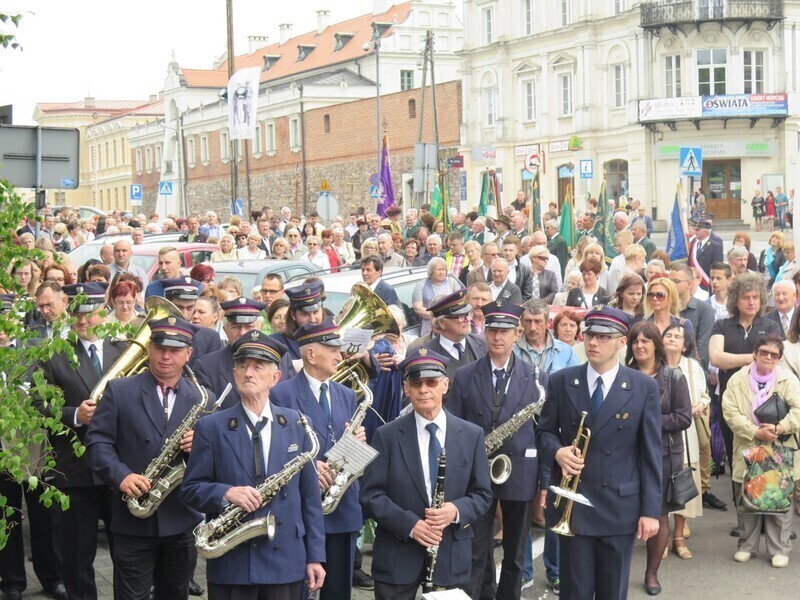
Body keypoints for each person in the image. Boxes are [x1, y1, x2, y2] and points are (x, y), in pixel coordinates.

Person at [181, 330, 326, 597]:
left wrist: (315, 556)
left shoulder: (297, 423)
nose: (248, 373)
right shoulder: (210, 427)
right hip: (232, 562)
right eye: (242, 366)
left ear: (275, 377)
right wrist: (225, 492)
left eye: (258, 367)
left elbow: (310, 498)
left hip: (287, 561)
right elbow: (191, 489)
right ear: (234, 373)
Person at [538, 306, 662, 600]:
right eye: (590, 334)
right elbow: (542, 433)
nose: (593, 342)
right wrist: (558, 452)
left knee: (612, 592)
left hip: (619, 507)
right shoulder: (562, 380)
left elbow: (651, 453)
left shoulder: (643, 387)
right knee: (574, 592)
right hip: (574, 505)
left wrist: (650, 511)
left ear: (621, 343)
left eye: (603, 337)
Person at [85, 316, 212, 599]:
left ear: (188, 354)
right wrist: (121, 476)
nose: (166, 356)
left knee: (175, 593)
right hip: (132, 521)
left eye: (175, 350)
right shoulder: (119, 390)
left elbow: (217, 462)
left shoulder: (204, 398)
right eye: (160, 347)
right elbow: (97, 442)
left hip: (182, 519)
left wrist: (202, 448)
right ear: (149, 349)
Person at [360, 348, 492, 598]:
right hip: (398, 555)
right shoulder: (386, 436)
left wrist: (455, 511)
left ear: (445, 385)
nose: (423, 390)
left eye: (431, 382)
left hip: (450, 553)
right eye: (416, 383)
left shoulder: (472, 434)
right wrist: (411, 525)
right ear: (406, 389)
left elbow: (483, 494)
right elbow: (371, 496)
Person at [448, 300, 547, 600]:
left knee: (515, 553)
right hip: (476, 474)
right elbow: (454, 428)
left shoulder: (535, 376)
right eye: (492, 329)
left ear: (517, 333)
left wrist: (543, 481)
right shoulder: (464, 375)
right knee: (476, 551)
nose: (497, 337)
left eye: (504, 330)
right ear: (484, 331)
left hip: (519, 471)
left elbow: (543, 432)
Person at [32, 283, 123, 600]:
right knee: (77, 556)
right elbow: (37, 406)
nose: (83, 322)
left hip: (118, 469)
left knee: (125, 553)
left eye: (90, 315)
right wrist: (73, 414)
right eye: (77, 315)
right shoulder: (54, 355)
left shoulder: (123, 349)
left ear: (102, 311)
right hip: (75, 469)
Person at [270, 319, 364, 600]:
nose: (340, 355)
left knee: (338, 592)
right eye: (332, 349)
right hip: (303, 510)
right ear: (311, 354)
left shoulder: (347, 394)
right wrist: (310, 467)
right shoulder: (281, 393)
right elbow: (276, 448)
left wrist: (357, 445)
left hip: (342, 506)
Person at [722, 333, 800, 567]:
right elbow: (730, 412)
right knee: (747, 496)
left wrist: (779, 426)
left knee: (780, 498)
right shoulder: (737, 380)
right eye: (763, 352)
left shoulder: (789, 380)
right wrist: (754, 431)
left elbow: (798, 409)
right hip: (749, 446)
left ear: (778, 358)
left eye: (773, 354)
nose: (768, 357)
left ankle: (780, 549)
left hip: (779, 446)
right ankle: (747, 546)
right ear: (755, 353)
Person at [626, 321, 692, 595]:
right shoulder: (623, 375)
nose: (640, 346)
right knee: (624, 513)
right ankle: (616, 570)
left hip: (664, 455)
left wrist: (649, 421)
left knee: (659, 514)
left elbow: (684, 417)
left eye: (645, 341)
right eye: (635, 341)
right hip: (626, 454)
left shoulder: (673, 377)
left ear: (656, 344)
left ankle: (651, 574)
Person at [709, 273, 783, 497]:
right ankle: (743, 510)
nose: (751, 302)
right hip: (732, 402)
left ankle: (766, 507)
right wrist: (754, 358)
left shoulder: (770, 325)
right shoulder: (722, 325)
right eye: (746, 297)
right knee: (736, 455)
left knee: (767, 456)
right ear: (735, 300)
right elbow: (715, 358)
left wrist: (737, 359)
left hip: (765, 402)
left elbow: (773, 358)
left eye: (755, 297)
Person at [663, 322, 709, 560]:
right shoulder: (655, 366)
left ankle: (679, 536)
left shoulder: (692, 366)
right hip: (659, 434)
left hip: (685, 431)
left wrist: (701, 405)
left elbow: (704, 395)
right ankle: (660, 537)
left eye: (677, 337)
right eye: (668, 335)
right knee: (660, 484)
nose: (671, 339)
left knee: (682, 482)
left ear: (685, 345)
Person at [419, 289, 487, 390]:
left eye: (468, 314)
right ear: (442, 323)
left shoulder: (482, 343)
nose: (468, 320)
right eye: (460, 317)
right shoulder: (426, 354)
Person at [412, 257, 463, 337]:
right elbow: (417, 308)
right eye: (439, 270)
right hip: (429, 327)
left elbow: (460, 302)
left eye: (443, 270)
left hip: (449, 324)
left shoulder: (452, 282)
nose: (442, 272)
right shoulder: (421, 285)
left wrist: (446, 316)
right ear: (431, 271)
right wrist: (436, 316)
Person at [644, 276, 696, 352]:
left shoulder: (683, 325)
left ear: (671, 298)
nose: (654, 298)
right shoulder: (643, 325)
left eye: (660, 295)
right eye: (651, 295)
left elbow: (690, 353)